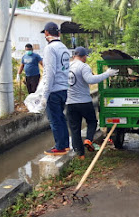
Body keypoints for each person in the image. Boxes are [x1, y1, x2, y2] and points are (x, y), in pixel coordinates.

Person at [66, 47, 118, 160]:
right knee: (92, 121)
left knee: (75, 129)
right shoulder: (83, 66)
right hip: (84, 102)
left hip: (70, 102)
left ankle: (80, 155)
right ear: (84, 56)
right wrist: (107, 74)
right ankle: (88, 140)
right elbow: (91, 80)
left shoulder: (66, 66)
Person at [40, 22, 71, 156]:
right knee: (61, 118)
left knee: (54, 120)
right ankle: (65, 145)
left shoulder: (49, 48)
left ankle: (59, 147)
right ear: (58, 33)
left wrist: (44, 95)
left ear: (47, 33)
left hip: (53, 89)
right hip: (63, 88)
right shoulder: (64, 47)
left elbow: (50, 72)